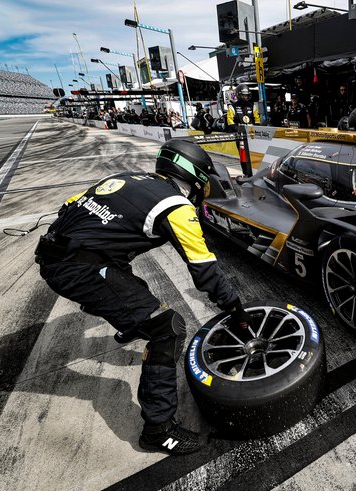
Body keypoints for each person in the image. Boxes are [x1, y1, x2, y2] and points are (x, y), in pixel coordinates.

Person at [35, 139, 251, 455]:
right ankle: (158, 430)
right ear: (195, 180)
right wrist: (235, 307)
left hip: (56, 251)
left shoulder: (125, 179)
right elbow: (204, 269)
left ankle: (129, 322)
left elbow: (68, 206)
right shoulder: (176, 206)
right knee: (168, 329)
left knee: (135, 290)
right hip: (77, 269)